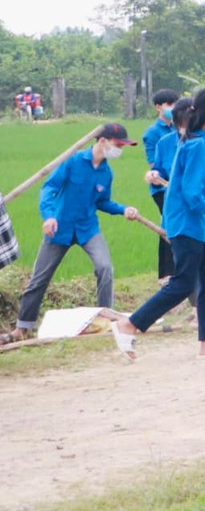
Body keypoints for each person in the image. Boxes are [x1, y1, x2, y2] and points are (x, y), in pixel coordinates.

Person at [112, 91, 205, 361]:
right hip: (188, 224)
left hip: (200, 226)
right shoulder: (195, 146)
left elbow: (202, 183)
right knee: (183, 283)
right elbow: (192, 193)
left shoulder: (199, 142)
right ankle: (130, 323)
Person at [3, 124, 141, 345]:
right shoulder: (73, 161)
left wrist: (124, 209)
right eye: (118, 145)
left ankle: (105, 319)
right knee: (39, 279)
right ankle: (23, 327)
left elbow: (103, 202)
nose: (120, 150)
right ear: (103, 141)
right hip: (60, 228)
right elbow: (49, 188)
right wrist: (48, 216)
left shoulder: (106, 173)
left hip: (88, 229)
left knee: (105, 268)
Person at [142, 88, 180, 281]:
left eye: (175, 104)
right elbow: (154, 164)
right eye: (169, 105)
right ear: (158, 107)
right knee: (168, 224)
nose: (172, 109)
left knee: (174, 224)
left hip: (178, 185)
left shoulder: (178, 128)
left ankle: (175, 271)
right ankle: (166, 273)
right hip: (162, 186)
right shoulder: (153, 133)